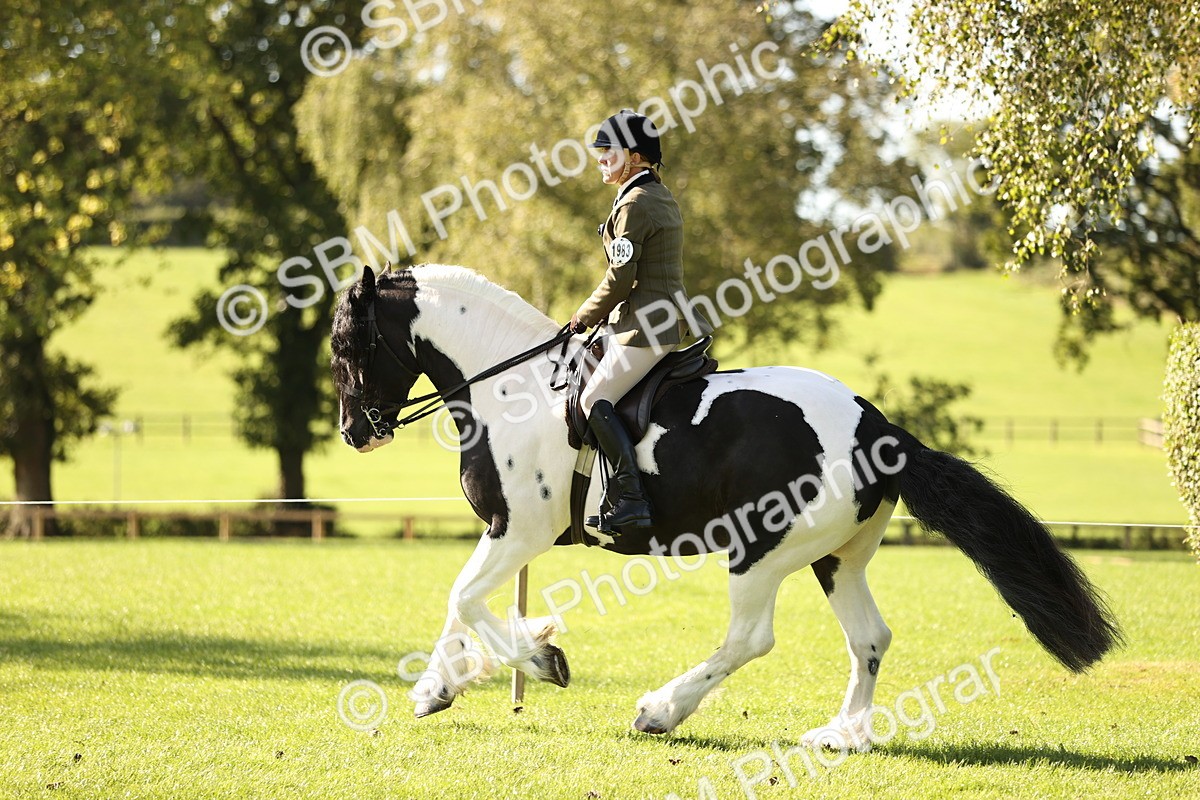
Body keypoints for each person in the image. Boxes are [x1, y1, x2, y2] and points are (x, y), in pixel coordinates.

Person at [569, 109, 714, 533]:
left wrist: (582, 316)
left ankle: (631, 497)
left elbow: (619, 280)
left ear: (633, 157)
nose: (599, 159)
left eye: (607, 152)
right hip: (651, 318)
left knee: (593, 400)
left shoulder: (636, 204)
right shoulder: (654, 194)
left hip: (646, 326)